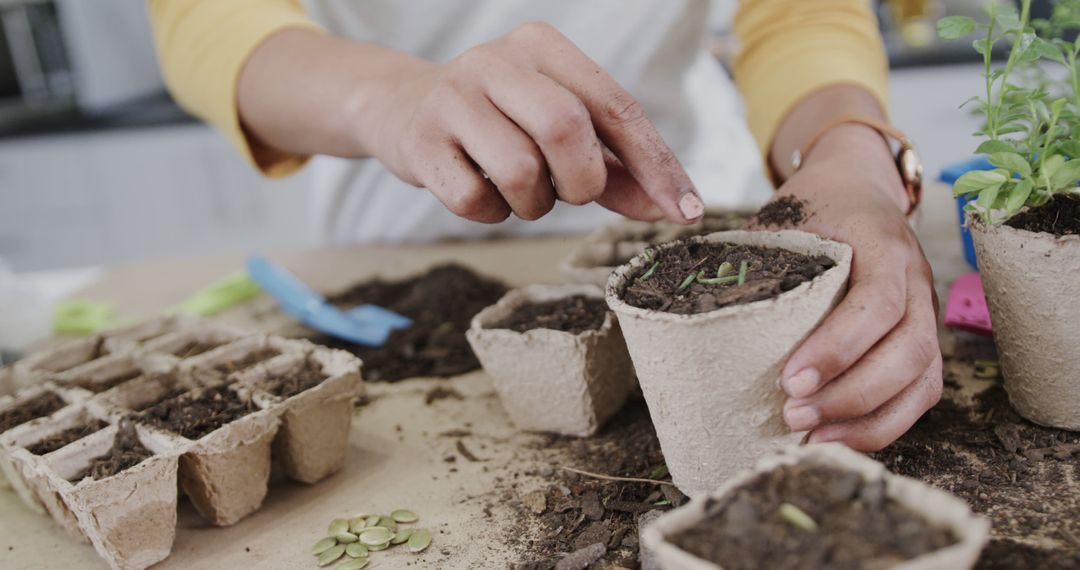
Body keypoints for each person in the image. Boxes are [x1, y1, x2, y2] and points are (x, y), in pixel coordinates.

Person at [147, 0, 942, 452]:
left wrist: (848, 150)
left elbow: (799, 16)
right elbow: (209, 23)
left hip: (673, 191)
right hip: (397, 215)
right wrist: (385, 99)